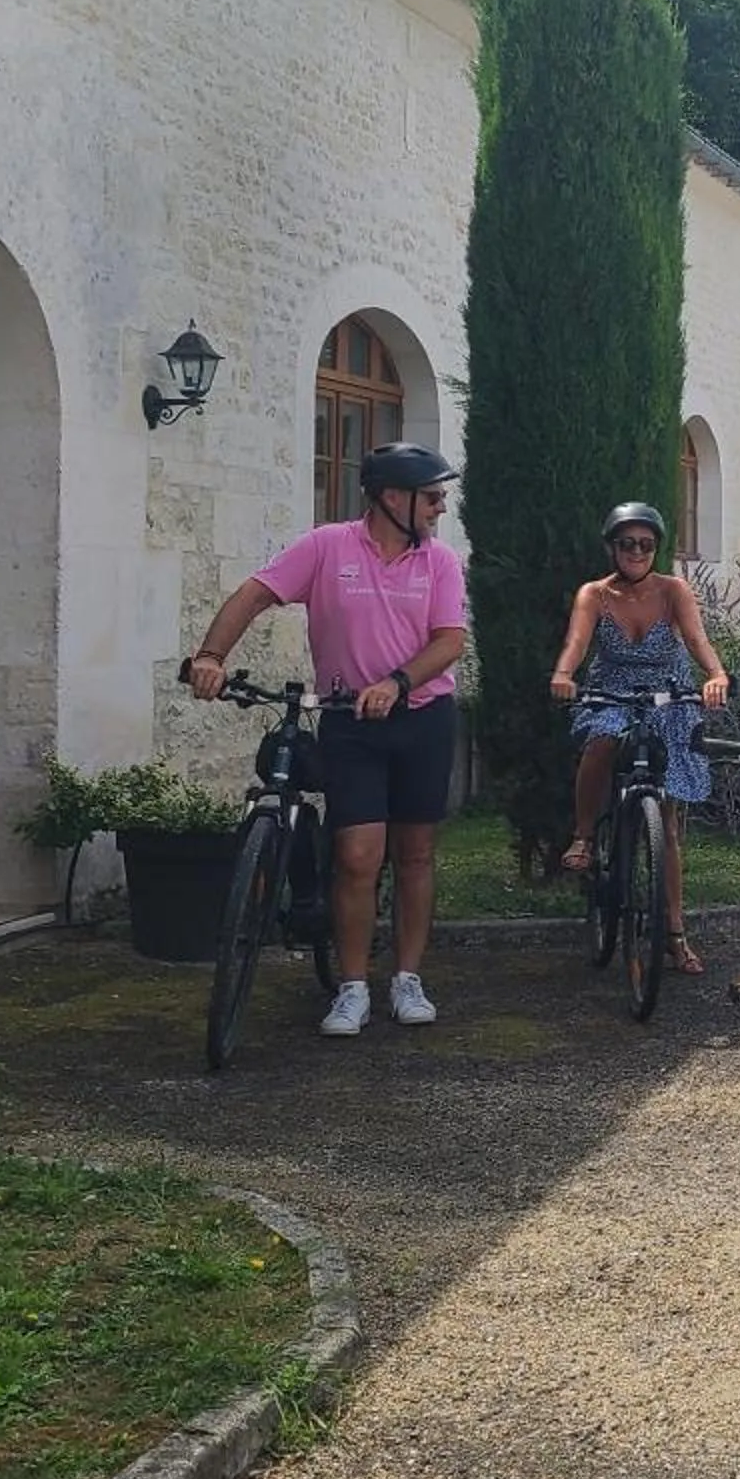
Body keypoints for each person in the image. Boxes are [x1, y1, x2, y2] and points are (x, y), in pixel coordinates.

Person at [186, 441, 467, 1037]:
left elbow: (449, 641)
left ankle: (408, 978)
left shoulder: (439, 561)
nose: (440, 507)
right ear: (392, 498)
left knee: (415, 853)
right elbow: (254, 594)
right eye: (431, 497)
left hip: (423, 719)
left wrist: (396, 683)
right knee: (356, 856)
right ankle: (353, 986)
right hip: (349, 721)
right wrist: (211, 656)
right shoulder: (326, 547)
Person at [548, 502, 733, 975]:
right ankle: (584, 836)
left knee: (666, 822)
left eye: (646, 545)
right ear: (612, 547)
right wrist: (564, 674)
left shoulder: (673, 591)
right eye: (627, 543)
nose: (636, 552)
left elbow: (697, 640)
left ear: (657, 549)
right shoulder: (595, 594)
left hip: (667, 695)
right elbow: (576, 642)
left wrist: (715, 675)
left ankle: (674, 932)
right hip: (611, 692)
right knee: (603, 739)